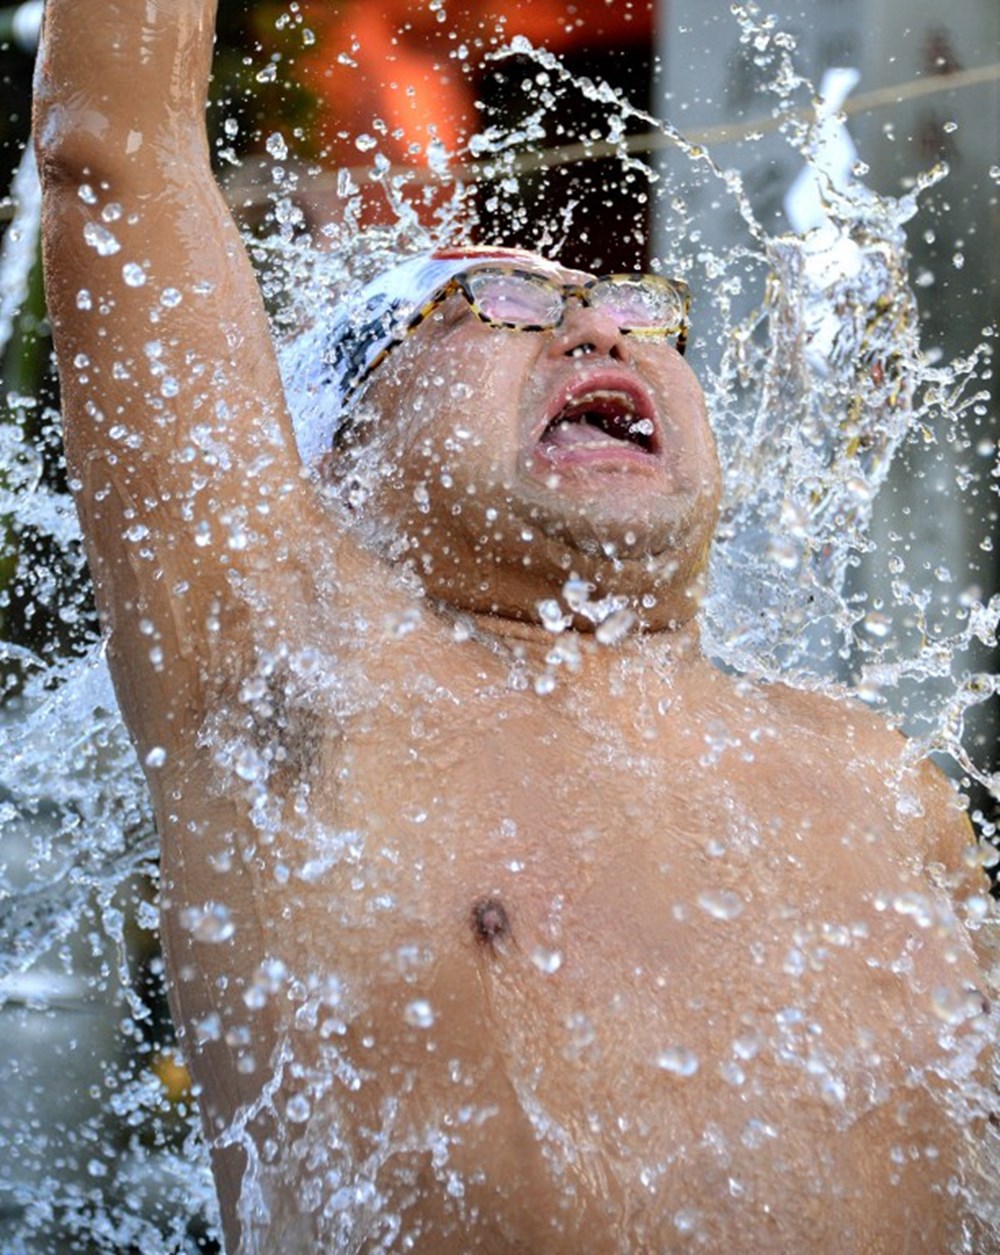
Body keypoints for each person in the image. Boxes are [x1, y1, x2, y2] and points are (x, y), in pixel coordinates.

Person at [33, 1, 994, 1251]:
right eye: (492, 298)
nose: (597, 324)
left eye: (633, 309)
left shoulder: (883, 786)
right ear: (340, 462)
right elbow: (110, 152)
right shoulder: (294, 682)